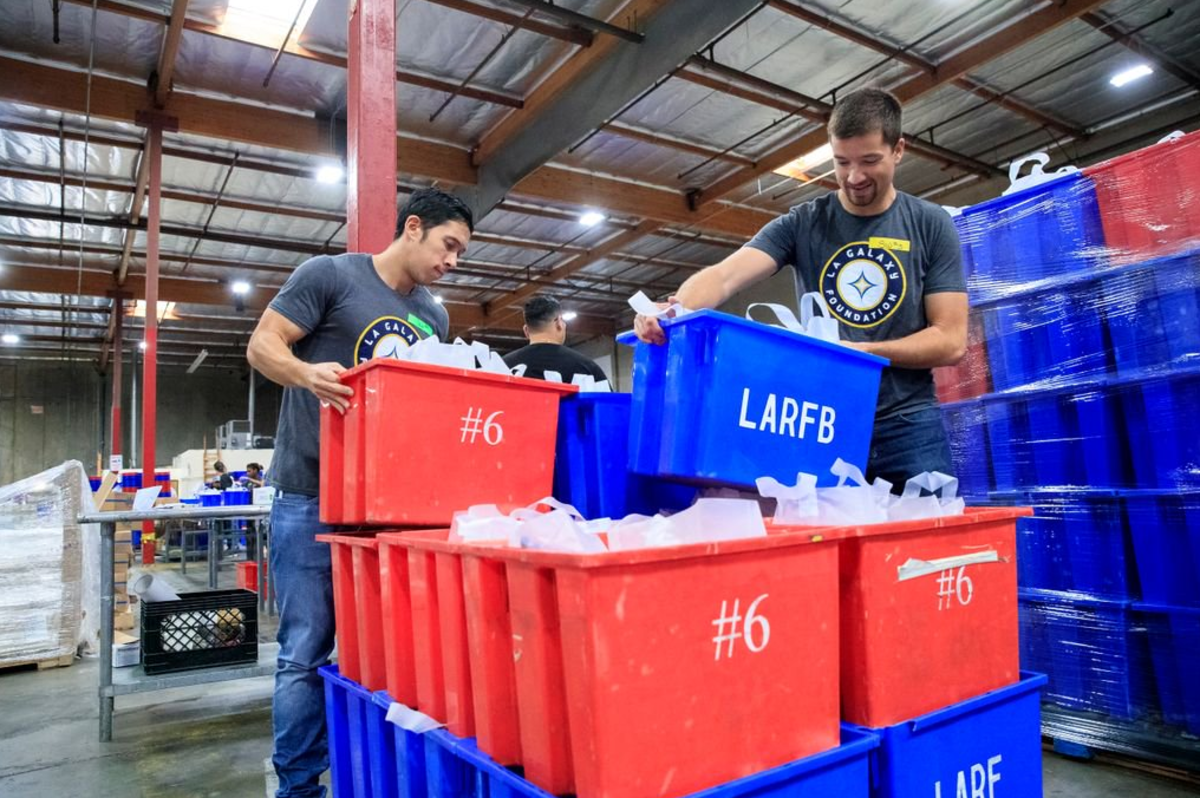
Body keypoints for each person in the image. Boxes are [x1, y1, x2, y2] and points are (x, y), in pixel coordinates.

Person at [246, 187, 473, 798]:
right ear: (414, 227)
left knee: (386, 654)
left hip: (386, 510)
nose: (453, 261)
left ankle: (366, 777)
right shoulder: (330, 277)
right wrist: (303, 373)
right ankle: (299, 787)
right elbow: (262, 343)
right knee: (305, 651)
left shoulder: (435, 315)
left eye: (460, 253)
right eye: (448, 245)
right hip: (310, 496)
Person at [634, 87, 967, 489]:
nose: (854, 177)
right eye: (841, 162)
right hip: (825, 423)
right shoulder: (804, 223)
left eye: (869, 161)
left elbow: (950, 340)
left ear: (898, 150)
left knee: (929, 544)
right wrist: (673, 311)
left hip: (908, 424)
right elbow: (724, 276)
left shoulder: (930, 224)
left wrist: (861, 355)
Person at [503, 295, 609, 383]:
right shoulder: (586, 367)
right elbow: (610, 405)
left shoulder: (503, 366)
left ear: (526, 330)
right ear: (559, 323)